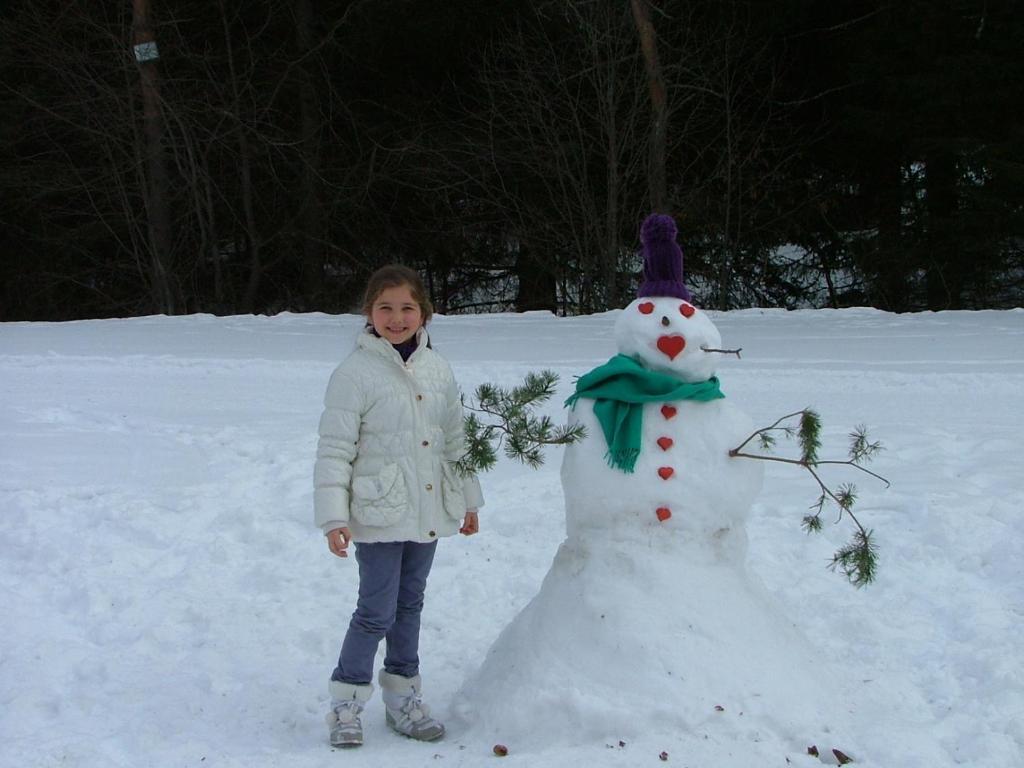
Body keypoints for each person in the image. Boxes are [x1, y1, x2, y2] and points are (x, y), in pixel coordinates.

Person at [314, 264, 484, 748]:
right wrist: (334, 516)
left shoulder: (438, 367)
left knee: (409, 606)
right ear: (369, 312)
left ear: (423, 312)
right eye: (385, 307)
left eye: (407, 307)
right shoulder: (355, 373)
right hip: (378, 510)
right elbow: (334, 449)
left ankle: (403, 697)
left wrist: (468, 499)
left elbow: (457, 438)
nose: (396, 317)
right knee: (375, 610)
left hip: (427, 509)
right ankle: (346, 703)